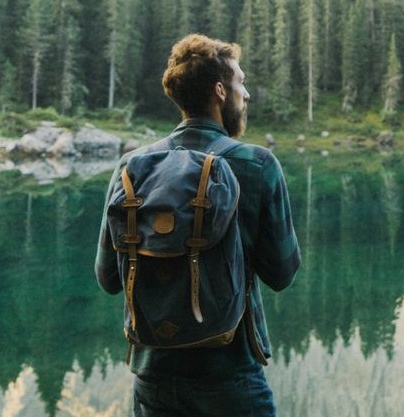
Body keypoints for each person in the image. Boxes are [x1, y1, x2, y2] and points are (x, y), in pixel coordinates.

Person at [96, 34, 301, 416]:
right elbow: (283, 273)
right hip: (231, 376)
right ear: (220, 92)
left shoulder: (130, 168)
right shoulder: (257, 165)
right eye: (241, 83)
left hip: (152, 379)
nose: (247, 94)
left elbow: (108, 278)